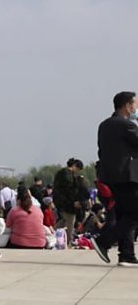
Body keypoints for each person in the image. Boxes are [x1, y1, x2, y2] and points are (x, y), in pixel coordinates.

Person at [91, 92, 138, 267]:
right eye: (135, 105)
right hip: (127, 177)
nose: (136, 108)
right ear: (127, 106)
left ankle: (126, 254)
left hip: (110, 177)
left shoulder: (104, 125)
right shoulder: (127, 125)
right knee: (134, 214)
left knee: (124, 215)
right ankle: (104, 241)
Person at [53, 158, 84, 244]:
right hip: (65, 202)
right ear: (74, 166)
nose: (77, 172)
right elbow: (69, 190)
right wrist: (73, 201)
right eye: (77, 170)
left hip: (61, 200)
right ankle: (68, 241)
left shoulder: (65, 173)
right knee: (71, 219)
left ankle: (52, 233)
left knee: (64, 220)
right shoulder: (67, 174)